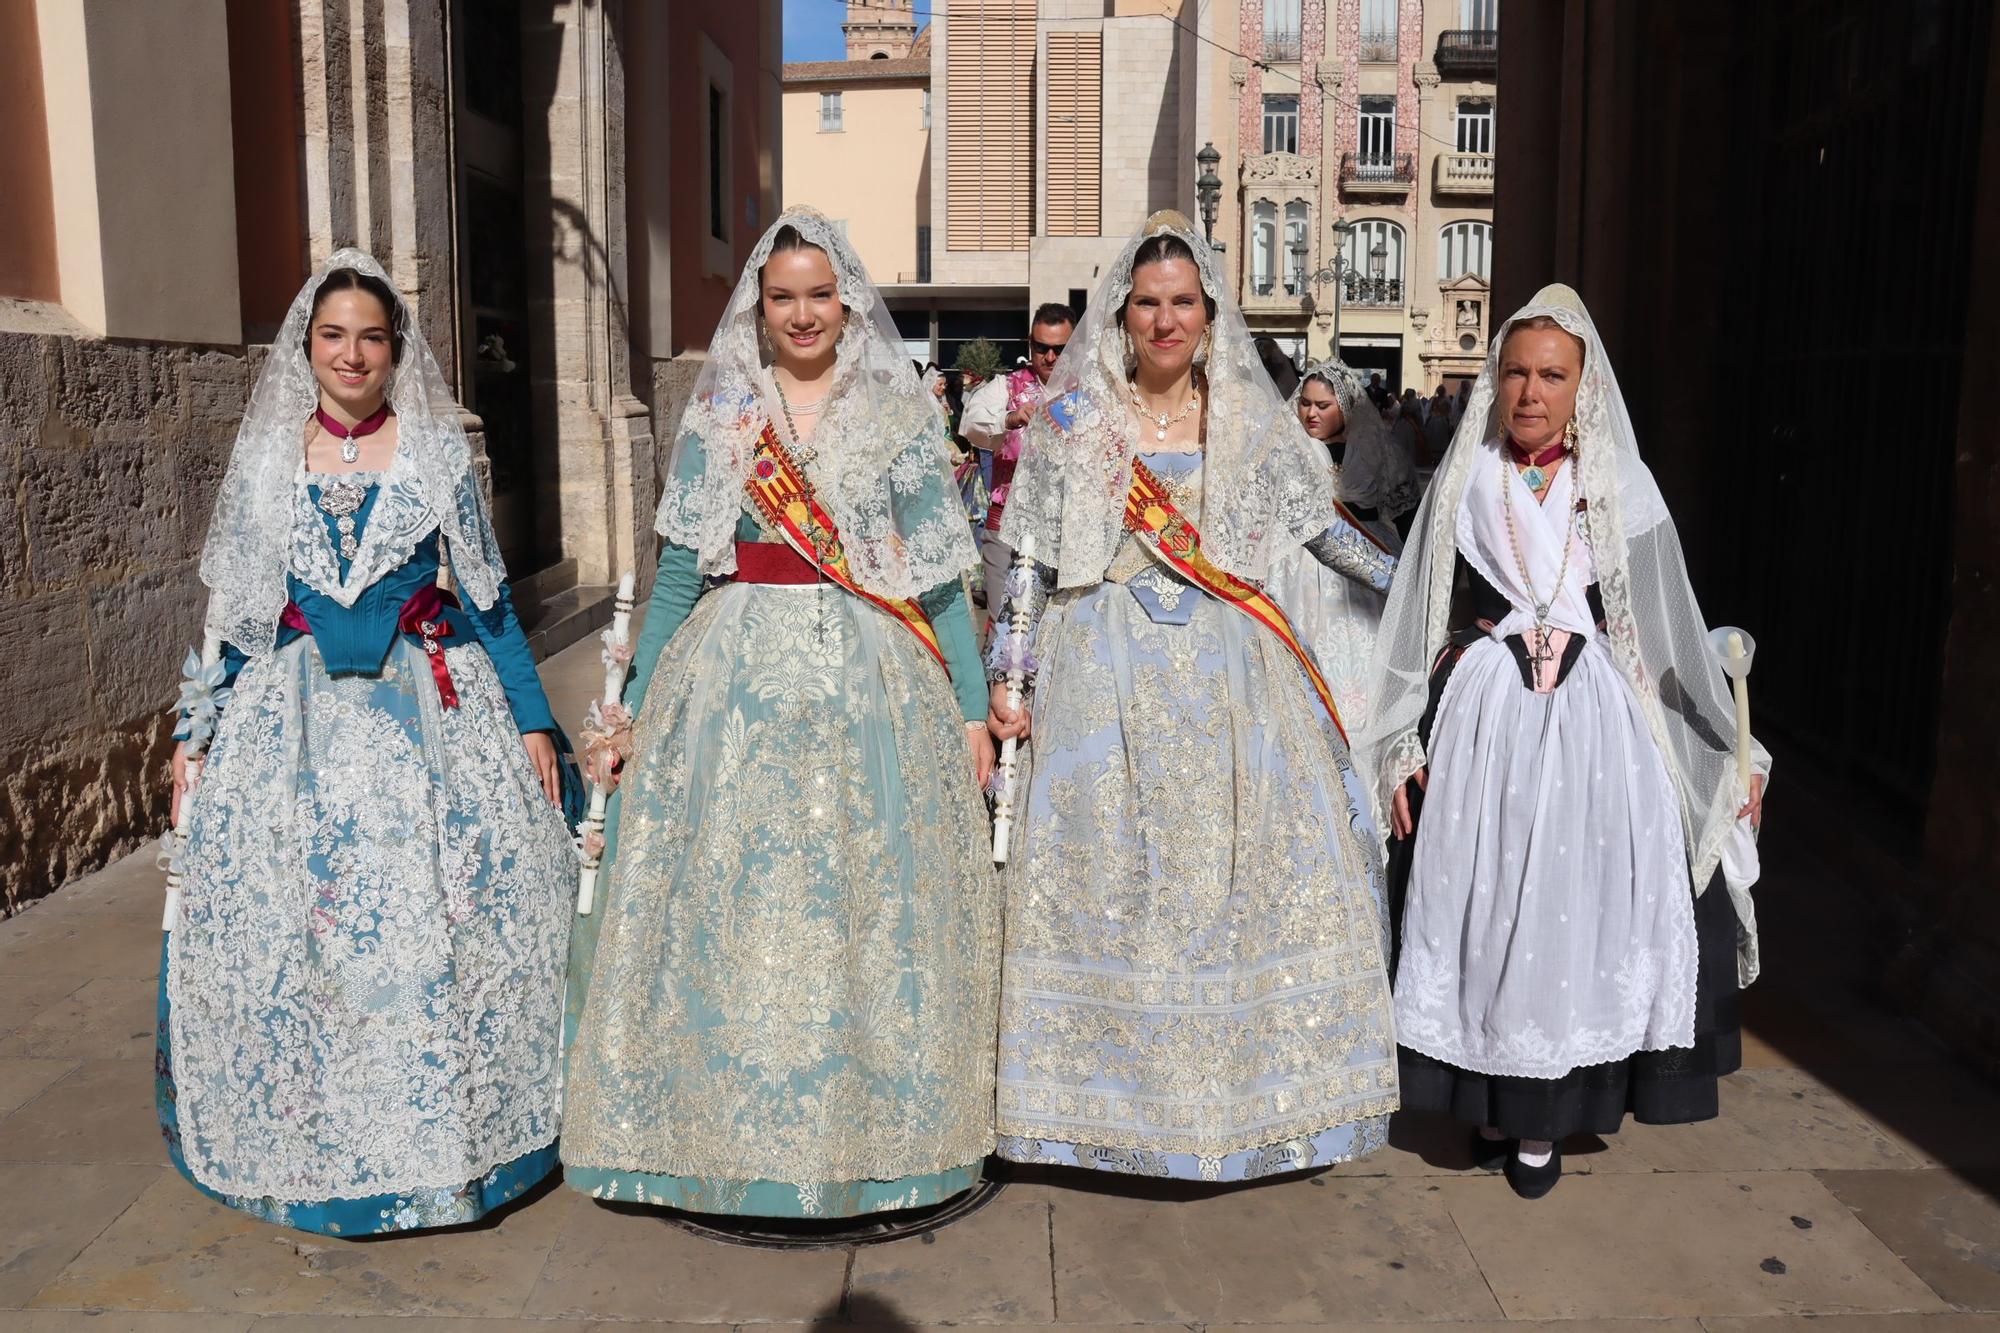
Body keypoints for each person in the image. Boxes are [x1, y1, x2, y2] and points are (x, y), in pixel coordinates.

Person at [560, 208, 1001, 1220]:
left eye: (818, 294)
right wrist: (627, 706)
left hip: (871, 680)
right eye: (781, 296)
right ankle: (714, 1134)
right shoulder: (723, 410)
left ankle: (875, 1137)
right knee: (731, 903)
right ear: (759, 309)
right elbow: (677, 574)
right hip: (733, 682)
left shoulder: (895, 413)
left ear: (846, 303)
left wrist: (971, 707)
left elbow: (938, 579)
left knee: (865, 903)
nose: (801, 313)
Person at [158, 250, 577, 1235]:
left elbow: (488, 605)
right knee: (313, 934)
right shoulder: (268, 460)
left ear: (398, 352)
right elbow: (231, 622)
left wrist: (528, 720)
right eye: (333, 335)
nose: (352, 354)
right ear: (308, 347)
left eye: (371, 337)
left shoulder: (435, 456)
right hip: (291, 724)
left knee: (436, 924)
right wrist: (194, 734)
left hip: (425, 719)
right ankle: (320, 1134)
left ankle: (444, 1139)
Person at [985, 211, 1399, 1182]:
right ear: (1120, 317)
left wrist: (1418, 579)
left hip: (1229, 685)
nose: (1164, 320)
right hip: (1099, 672)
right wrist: (1011, 678)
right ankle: (1102, 1111)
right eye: (1146, 304)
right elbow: (1031, 563)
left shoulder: (1253, 422)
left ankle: (1228, 1103)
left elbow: (1324, 537)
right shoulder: (1069, 421)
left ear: (1208, 314)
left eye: (1181, 303)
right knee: (1108, 888)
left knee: (1222, 889)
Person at [1361, 284, 1768, 1200]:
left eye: (1552, 374)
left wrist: (1736, 752)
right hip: (1489, 718)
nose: (1531, 391)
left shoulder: (1618, 484)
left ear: (1584, 385)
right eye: (1515, 372)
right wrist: (1397, 742)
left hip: (1594, 723)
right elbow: (1413, 619)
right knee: (1489, 904)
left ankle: (1544, 1112)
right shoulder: (1467, 477)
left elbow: (1664, 630)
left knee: (1571, 909)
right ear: (1494, 382)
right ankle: (1492, 1097)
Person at [1273, 358, 1419, 733]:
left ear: (1347, 406)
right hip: (1301, 568)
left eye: (1323, 405)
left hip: (1367, 565)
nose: (1310, 413)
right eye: (1305, 403)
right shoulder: (1287, 451)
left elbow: (1408, 518)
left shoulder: (1379, 452)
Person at [961, 303, 1075, 621]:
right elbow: (971, 422)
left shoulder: (1087, 391)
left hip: (1064, 532)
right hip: (1007, 531)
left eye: (1059, 349)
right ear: (1030, 343)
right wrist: (1010, 418)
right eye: (1042, 348)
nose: (1050, 357)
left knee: (1056, 629)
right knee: (1005, 627)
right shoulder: (1006, 386)